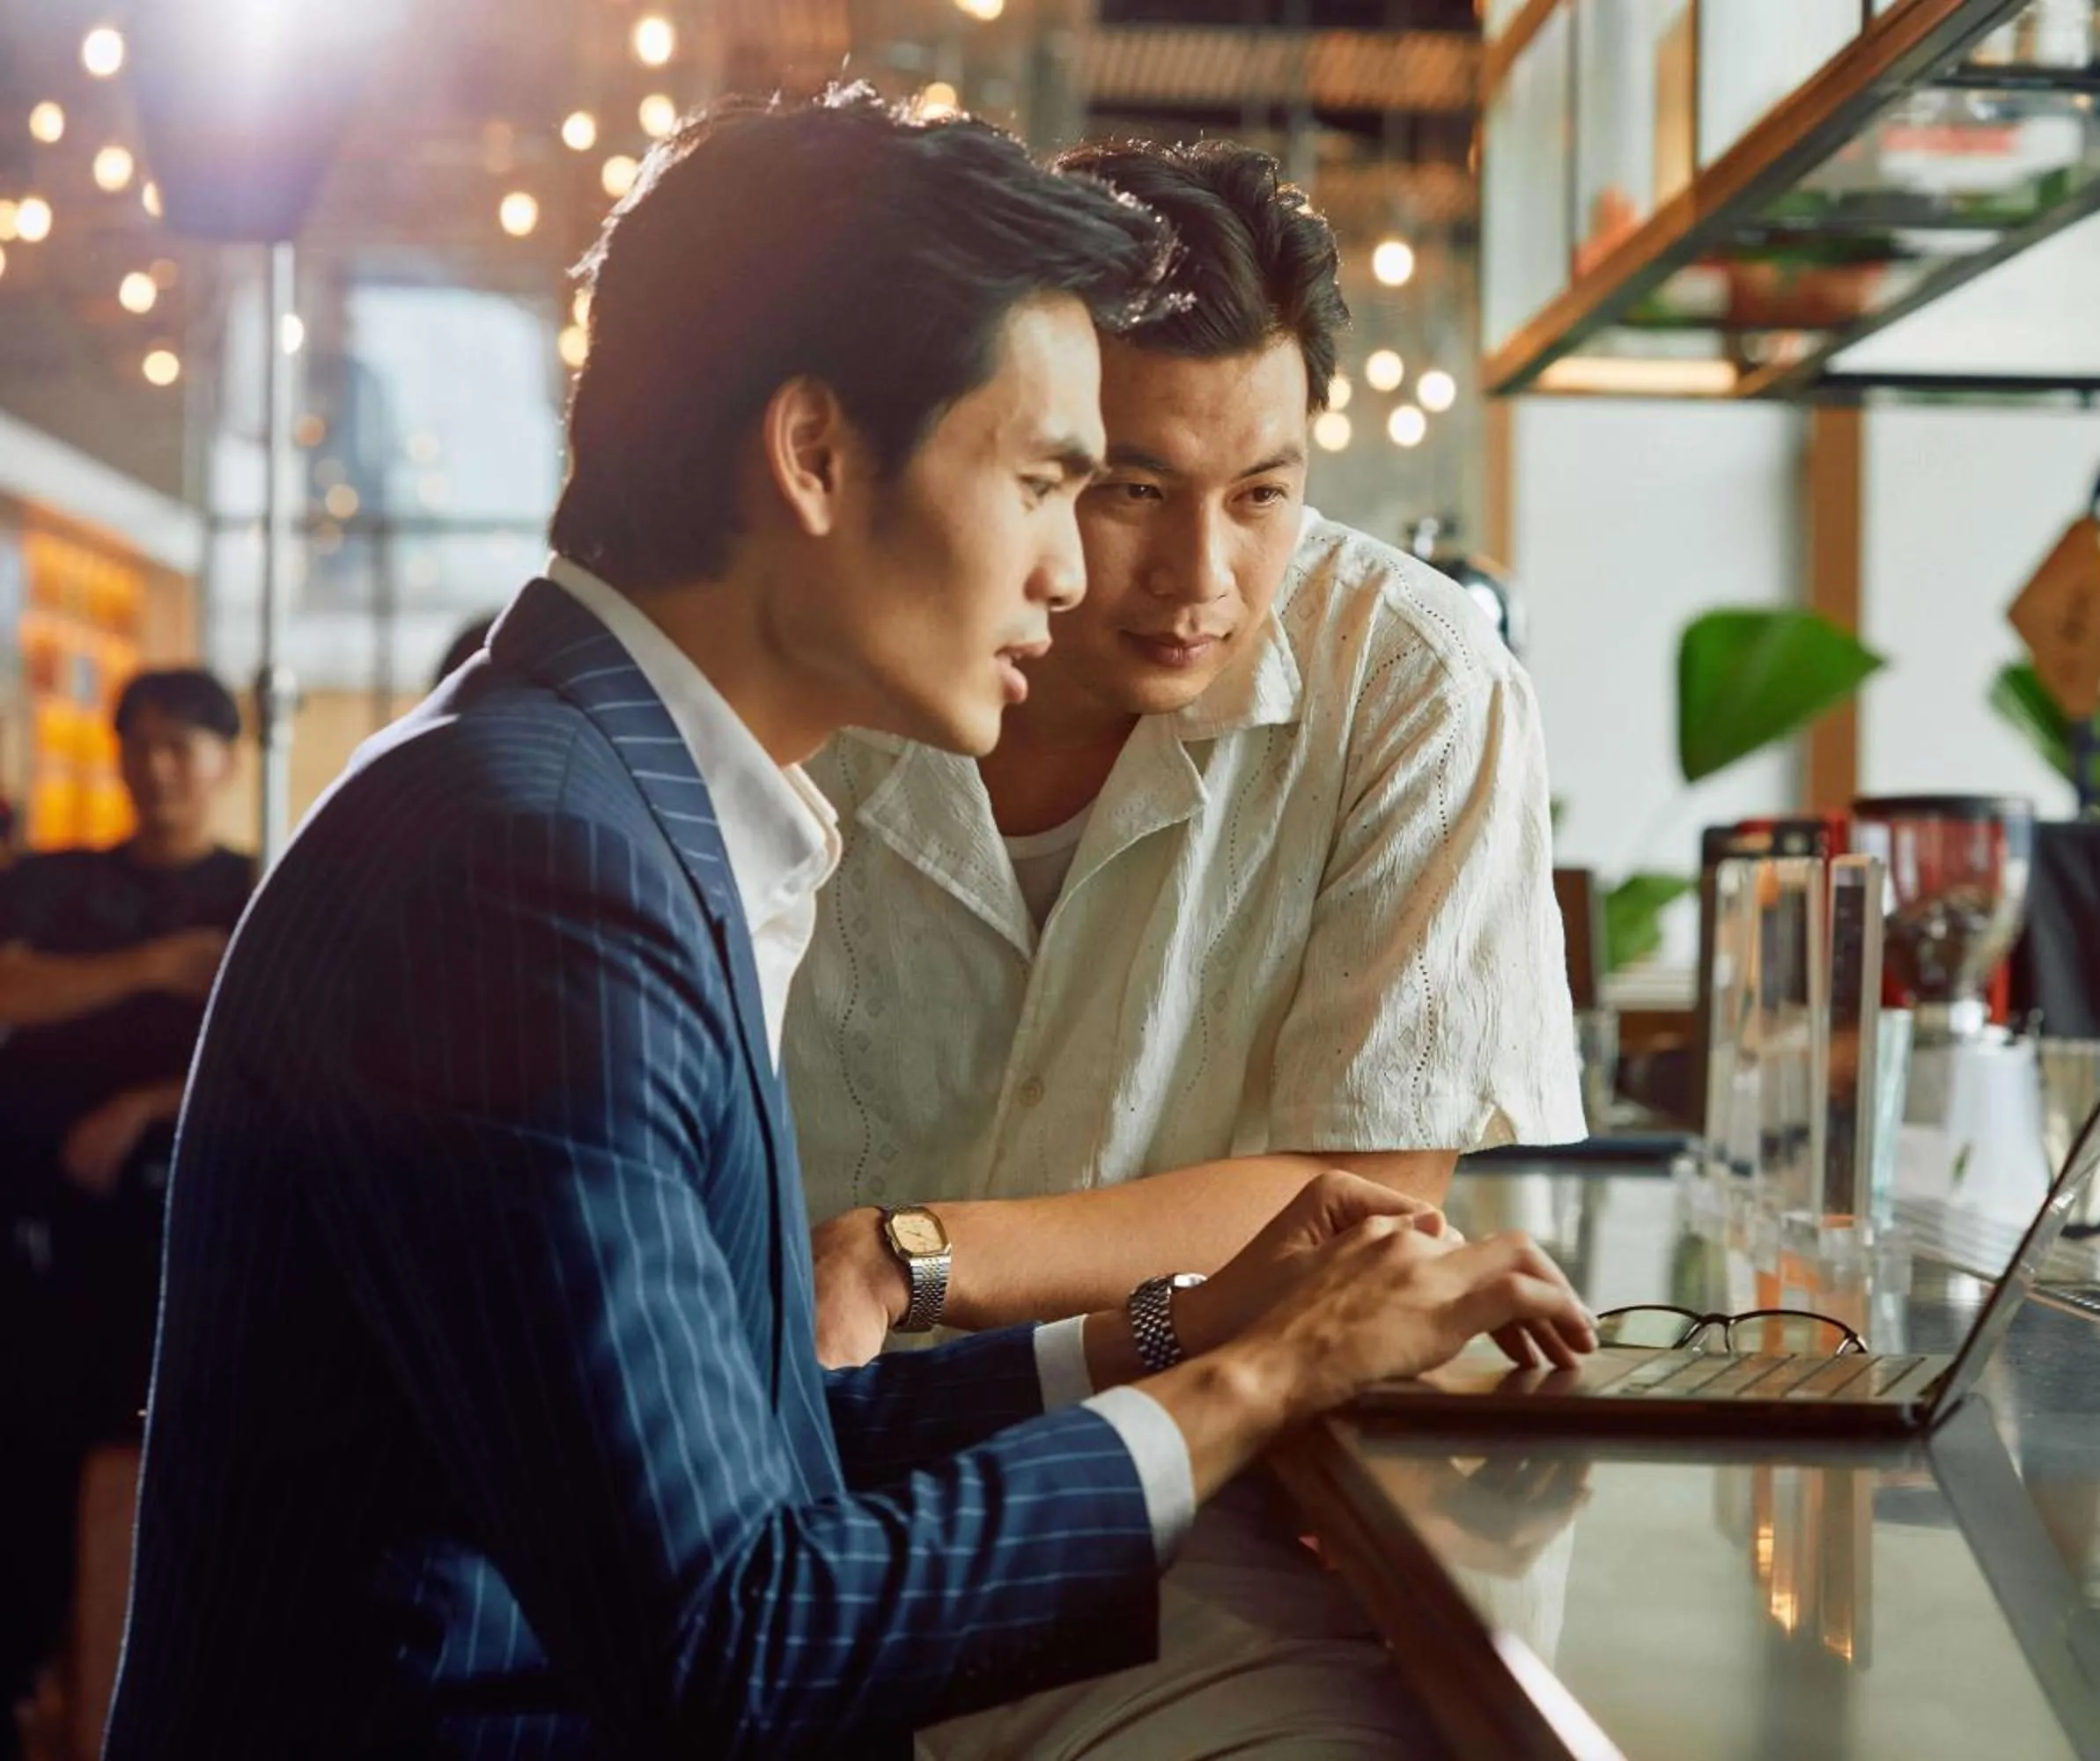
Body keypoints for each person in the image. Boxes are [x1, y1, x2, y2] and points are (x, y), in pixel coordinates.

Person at [104, 90, 1590, 1759]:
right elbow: (738, 1644)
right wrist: (1252, 1384)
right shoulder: (535, 875)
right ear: (813, 455)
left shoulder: (589, 795)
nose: (1068, 572)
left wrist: (1194, 1324)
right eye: (1049, 480)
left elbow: (757, 1448)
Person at [778, 138, 1584, 1757]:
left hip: (1205, 1520)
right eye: (1131, 489)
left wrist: (906, 1252)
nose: (1201, 580)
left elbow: (1364, 1189)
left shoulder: (1413, 683)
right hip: (807, 1487)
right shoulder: (846, 653)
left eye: (1265, 494)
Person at [0, 668, 252, 1756]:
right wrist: (152, 965)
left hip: (173, 1240)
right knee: (24, 1473)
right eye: (140, 744)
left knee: (159, 1477)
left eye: (181, 746)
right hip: (31, 1228)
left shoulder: (260, 887)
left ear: (227, 762)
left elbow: (284, 1058)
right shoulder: (56, 882)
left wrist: (149, 1104)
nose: (157, 769)